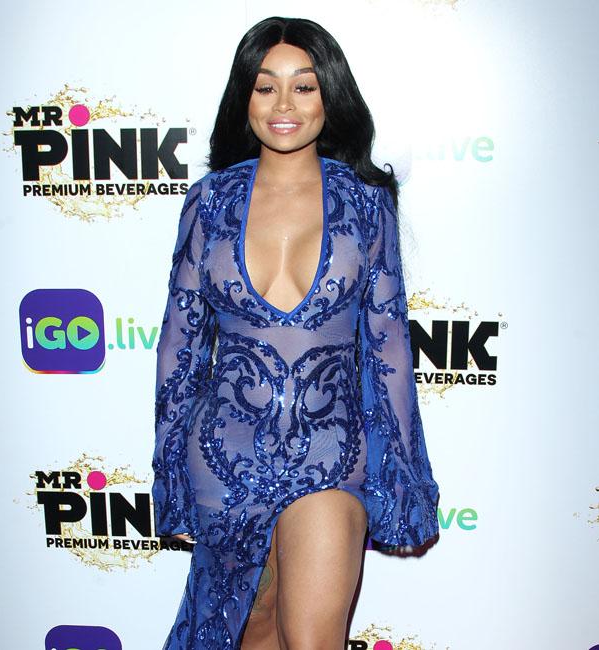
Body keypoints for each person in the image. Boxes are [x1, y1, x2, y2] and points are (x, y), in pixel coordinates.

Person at [151, 15, 441, 650]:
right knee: (250, 628)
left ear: (328, 96)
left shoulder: (366, 203)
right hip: (223, 455)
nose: (284, 104)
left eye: (303, 86)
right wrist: (170, 467)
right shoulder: (208, 202)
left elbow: (389, 344)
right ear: (245, 98)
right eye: (266, 87)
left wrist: (404, 473)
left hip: (330, 452)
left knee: (310, 639)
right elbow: (180, 343)